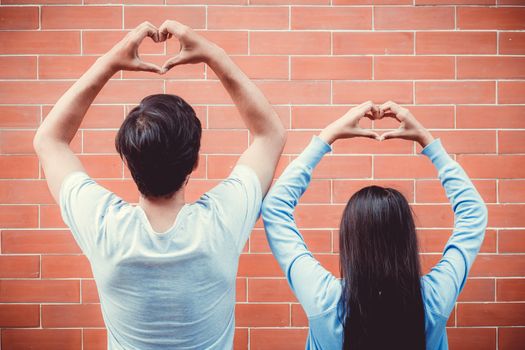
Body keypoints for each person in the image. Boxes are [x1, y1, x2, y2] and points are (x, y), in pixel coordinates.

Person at [33, 20, 286, 349]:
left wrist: (108, 62)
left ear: (129, 164)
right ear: (194, 162)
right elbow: (270, 134)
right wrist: (214, 55)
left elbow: (49, 140)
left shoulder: (103, 226)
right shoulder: (221, 222)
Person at [261, 101, 488, 350]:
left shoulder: (324, 301)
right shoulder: (433, 300)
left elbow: (275, 207)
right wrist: (427, 140)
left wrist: (329, 136)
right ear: (406, 239)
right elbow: (473, 213)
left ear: (350, 240)